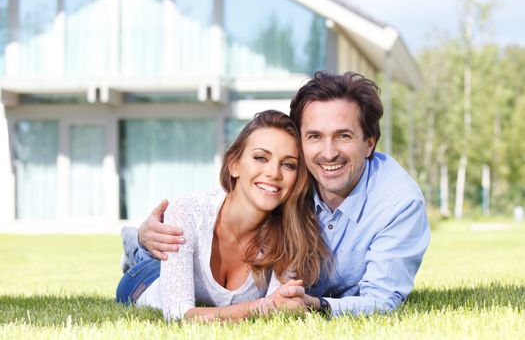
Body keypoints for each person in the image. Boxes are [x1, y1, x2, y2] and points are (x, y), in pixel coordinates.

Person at [135, 71, 431, 316]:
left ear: (368, 144)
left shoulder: (399, 203)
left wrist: (317, 305)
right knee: (155, 253)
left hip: (229, 287)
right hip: (171, 269)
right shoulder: (295, 176)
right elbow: (230, 202)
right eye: (314, 136)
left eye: (343, 136)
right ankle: (133, 246)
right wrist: (146, 235)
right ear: (301, 140)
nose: (328, 154)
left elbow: (382, 300)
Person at [116, 110, 331, 321]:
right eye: (260, 157)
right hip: (149, 277)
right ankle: (135, 245)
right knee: (154, 255)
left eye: (288, 164)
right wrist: (264, 306)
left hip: (187, 266)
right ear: (234, 165)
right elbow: (178, 315)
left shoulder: (292, 233)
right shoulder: (188, 209)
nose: (274, 173)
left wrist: (278, 305)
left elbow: (279, 305)